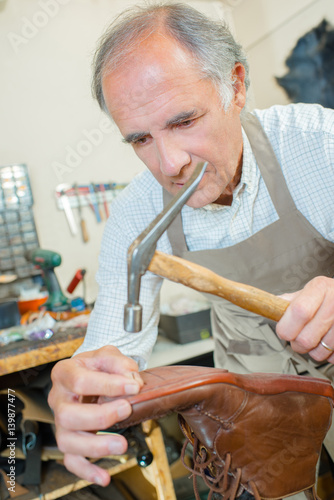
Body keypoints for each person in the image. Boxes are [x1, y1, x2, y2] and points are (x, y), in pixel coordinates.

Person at [48, 1, 334, 491]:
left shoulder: (317, 145)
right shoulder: (139, 212)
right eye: (140, 139)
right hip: (251, 392)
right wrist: (85, 388)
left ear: (237, 86)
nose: (170, 162)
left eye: (184, 122)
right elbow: (111, 344)